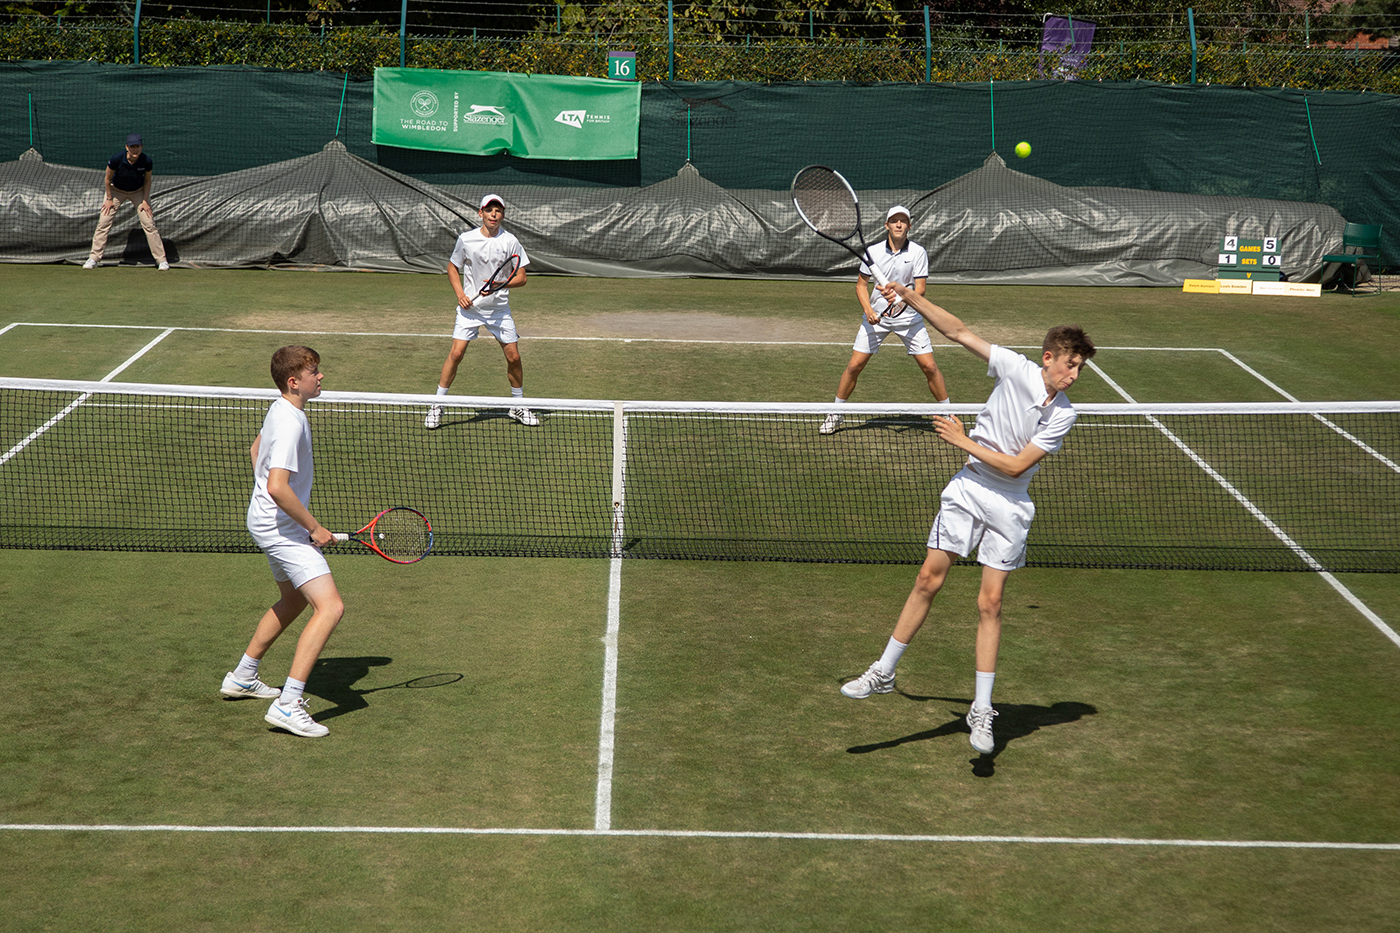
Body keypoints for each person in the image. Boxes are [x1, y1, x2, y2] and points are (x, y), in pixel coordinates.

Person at [838, 282, 1095, 756]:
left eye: (1080, 368)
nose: (1075, 375)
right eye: (1071, 364)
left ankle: (981, 709)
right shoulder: (1014, 368)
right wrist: (910, 299)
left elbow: (1017, 465)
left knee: (990, 603)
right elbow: (958, 331)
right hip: (969, 488)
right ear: (1048, 358)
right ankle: (884, 672)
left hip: (1010, 502)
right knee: (927, 579)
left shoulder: (1064, 415)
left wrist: (963, 442)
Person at [220, 345, 346, 739]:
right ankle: (289, 704)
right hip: (282, 529)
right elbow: (277, 486)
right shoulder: (292, 422)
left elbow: (256, 450)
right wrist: (315, 528)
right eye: (314, 372)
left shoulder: (280, 409)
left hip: (263, 522)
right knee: (330, 608)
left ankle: (242, 676)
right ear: (295, 382)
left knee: (293, 601)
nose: (321, 376)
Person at [819, 205, 948, 435]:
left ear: (909, 225)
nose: (899, 225)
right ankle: (835, 413)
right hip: (876, 318)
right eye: (894, 221)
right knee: (855, 365)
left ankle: (948, 416)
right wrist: (868, 309)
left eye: (903, 221)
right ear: (886, 225)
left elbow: (920, 289)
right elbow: (861, 285)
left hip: (909, 318)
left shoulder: (918, 252)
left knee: (929, 366)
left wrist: (900, 300)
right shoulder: (872, 252)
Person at [425, 193, 535, 429]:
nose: (493, 214)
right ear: (480, 213)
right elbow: (452, 267)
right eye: (489, 210)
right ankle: (437, 405)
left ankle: (518, 405)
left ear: (502, 215)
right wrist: (461, 296)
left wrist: (499, 285)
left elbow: (522, 277)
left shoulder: (511, 241)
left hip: (499, 310)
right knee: (456, 355)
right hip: (470, 310)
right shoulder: (466, 239)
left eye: (498, 211)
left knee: (514, 357)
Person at [82, 133, 169, 271]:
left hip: (138, 192)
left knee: (149, 223)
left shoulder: (147, 161)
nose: (135, 149)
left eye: (138, 146)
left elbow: (147, 180)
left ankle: (161, 260)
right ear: (127, 147)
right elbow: (107, 179)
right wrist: (109, 199)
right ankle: (93, 258)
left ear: (141, 147)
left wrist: (145, 200)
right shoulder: (117, 159)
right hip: (116, 191)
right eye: (132, 147)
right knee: (104, 222)